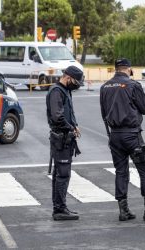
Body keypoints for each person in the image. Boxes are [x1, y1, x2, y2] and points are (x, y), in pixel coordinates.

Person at [100, 58, 145, 222]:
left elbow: (104, 113)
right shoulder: (132, 85)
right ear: (129, 69)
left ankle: (123, 210)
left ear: (115, 69)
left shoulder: (105, 87)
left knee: (121, 171)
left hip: (115, 135)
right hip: (131, 134)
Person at [46, 66, 83, 221]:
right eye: (75, 82)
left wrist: (73, 125)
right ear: (68, 78)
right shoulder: (56, 91)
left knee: (59, 174)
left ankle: (60, 207)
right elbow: (57, 117)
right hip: (61, 138)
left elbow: (67, 113)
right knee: (62, 174)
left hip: (64, 137)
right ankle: (60, 209)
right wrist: (70, 128)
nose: (77, 85)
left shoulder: (64, 91)